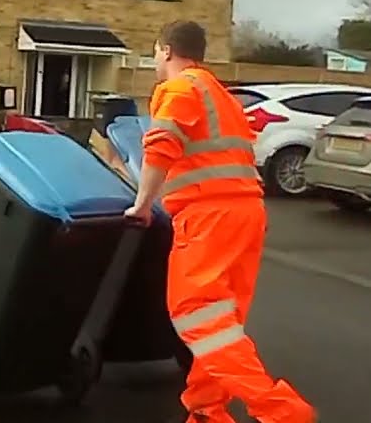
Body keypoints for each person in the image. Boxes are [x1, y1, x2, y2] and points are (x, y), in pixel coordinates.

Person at [123, 21, 316, 423]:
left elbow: (161, 148)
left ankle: (282, 413)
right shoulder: (222, 96)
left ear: (166, 50)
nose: (156, 60)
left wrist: (142, 205)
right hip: (245, 212)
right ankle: (207, 409)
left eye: (156, 53)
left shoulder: (179, 90)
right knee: (220, 321)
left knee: (195, 313)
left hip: (208, 215)